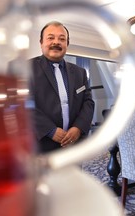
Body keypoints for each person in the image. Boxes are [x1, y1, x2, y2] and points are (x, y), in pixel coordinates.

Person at [28, 21, 95, 153]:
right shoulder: (25, 68)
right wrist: (50, 130)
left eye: (62, 39)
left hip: (73, 146)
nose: (56, 42)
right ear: (41, 43)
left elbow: (88, 103)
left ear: (67, 44)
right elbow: (22, 104)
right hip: (40, 147)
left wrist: (78, 128)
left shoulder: (80, 72)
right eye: (51, 38)